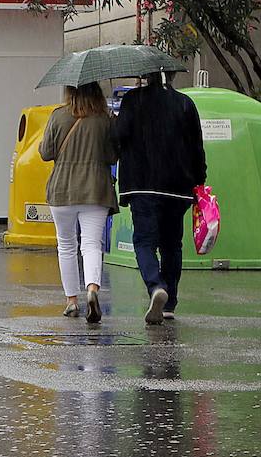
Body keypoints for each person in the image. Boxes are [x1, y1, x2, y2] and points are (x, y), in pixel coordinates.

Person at [114, 72, 207, 324]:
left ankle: (156, 286)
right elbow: (196, 146)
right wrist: (199, 180)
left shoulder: (133, 100)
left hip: (142, 185)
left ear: (145, 75)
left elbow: (119, 137)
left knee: (144, 241)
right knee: (171, 244)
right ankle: (170, 303)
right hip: (178, 186)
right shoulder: (185, 103)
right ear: (173, 75)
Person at [38, 83, 119, 323]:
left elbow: (45, 152)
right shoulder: (105, 119)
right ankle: (92, 289)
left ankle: (71, 301)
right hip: (95, 189)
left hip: (62, 190)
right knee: (92, 244)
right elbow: (112, 155)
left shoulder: (58, 116)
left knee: (66, 245)